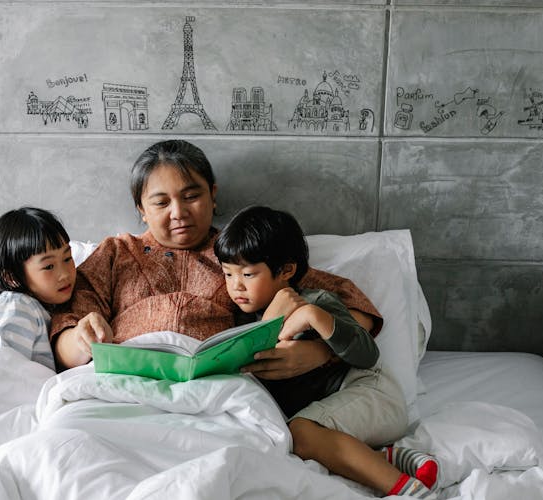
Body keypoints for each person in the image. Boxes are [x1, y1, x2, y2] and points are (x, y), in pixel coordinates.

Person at [50, 139, 382, 379]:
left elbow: (355, 307)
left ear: (213, 195)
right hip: (126, 382)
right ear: (142, 209)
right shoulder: (116, 253)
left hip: (217, 387)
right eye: (161, 203)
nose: (178, 213)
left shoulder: (243, 255)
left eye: (191, 196)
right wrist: (82, 341)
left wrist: (319, 353)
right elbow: (65, 334)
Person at [214, 205, 439, 499]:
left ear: (287, 271)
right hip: (341, 419)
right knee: (300, 435)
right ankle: (391, 458)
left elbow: (367, 354)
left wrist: (313, 316)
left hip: (373, 392)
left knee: (301, 433)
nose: (236, 286)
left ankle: (409, 492)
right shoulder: (242, 317)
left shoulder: (317, 300)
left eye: (247, 274)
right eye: (228, 274)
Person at [0, 207, 76, 370]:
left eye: (67, 258)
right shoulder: (17, 307)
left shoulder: (42, 309)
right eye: (49, 266)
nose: (64, 274)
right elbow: (2, 371)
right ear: (11, 277)